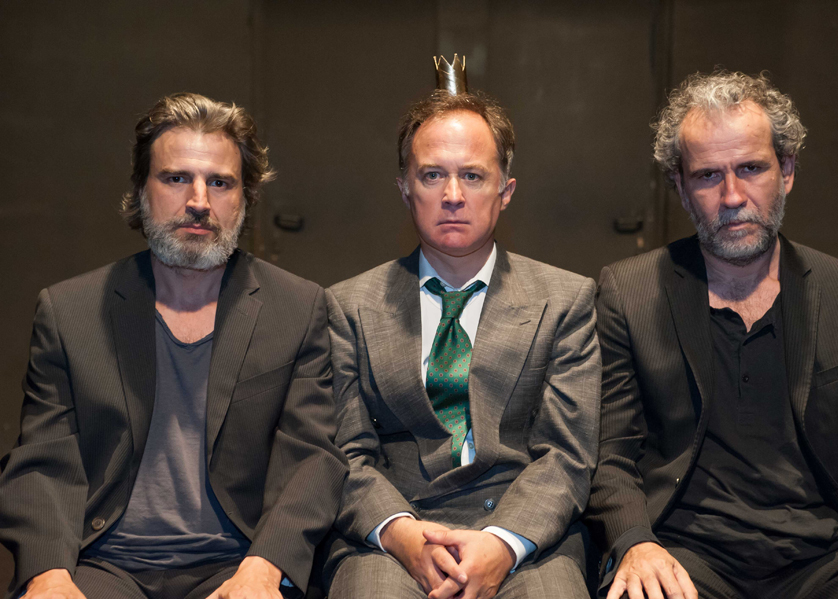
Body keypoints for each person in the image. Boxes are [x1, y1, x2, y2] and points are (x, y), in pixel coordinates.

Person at [0, 93, 348, 599]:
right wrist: (49, 576)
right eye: (176, 178)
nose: (199, 201)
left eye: (220, 182)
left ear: (246, 197)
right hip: (101, 563)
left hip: (239, 561)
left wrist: (264, 567)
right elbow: (42, 461)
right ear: (141, 190)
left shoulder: (298, 307)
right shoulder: (70, 311)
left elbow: (312, 458)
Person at [585, 70, 838, 599]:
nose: (732, 196)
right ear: (681, 188)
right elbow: (610, 455)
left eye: (751, 168)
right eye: (708, 176)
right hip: (685, 556)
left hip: (827, 558)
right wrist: (635, 541)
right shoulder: (629, 293)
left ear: (787, 170)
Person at [323, 62, 600, 599]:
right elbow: (346, 454)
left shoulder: (566, 300)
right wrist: (403, 536)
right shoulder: (348, 306)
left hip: (523, 534)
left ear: (506, 190)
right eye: (432, 176)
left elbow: (567, 454)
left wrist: (502, 543)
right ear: (405, 188)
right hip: (395, 532)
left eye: (472, 176)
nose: (453, 194)